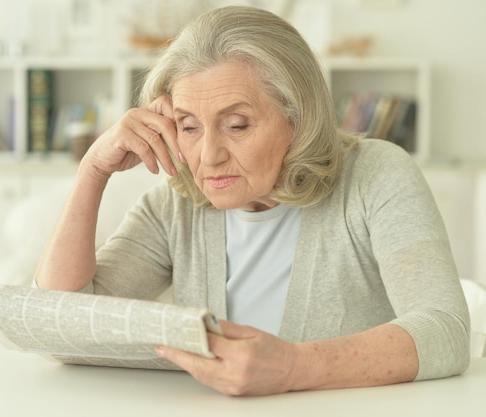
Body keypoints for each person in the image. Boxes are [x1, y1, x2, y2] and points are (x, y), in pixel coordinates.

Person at [34, 6, 470, 396]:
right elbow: (60, 323)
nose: (209, 156)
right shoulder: (174, 208)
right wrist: (93, 171)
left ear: (298, 118)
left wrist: (295, 367)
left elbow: (446, 330)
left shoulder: (376, 175)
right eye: (189, 126)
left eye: (237, 125)